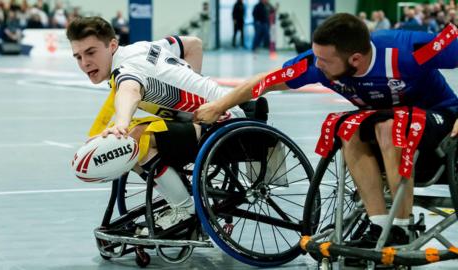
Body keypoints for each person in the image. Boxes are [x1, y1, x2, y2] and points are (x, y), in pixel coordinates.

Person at [195, 13, 458, 249]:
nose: (316, 65)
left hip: (440, 119)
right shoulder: (320, 65)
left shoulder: (407, 50)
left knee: (389, 126)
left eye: (324, 60)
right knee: (349, 128)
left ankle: (401, 229)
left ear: (355, 58)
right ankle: (379, 223)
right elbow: (266, 80)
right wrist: (219, 106)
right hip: (386, 125)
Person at [66, 17, 245, 235]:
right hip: (216, 116)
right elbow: (193, 44)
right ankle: (178, 197)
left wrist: (121, 124)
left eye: (91, 52)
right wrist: (191, 80)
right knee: (136, 137)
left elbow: (129, 91)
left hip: (222, 122)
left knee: (132, 142)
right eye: (78, 56)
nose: (84, 62)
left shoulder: (125, 67)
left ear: (112, 46)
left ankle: (185, 211)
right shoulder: (143, 47)